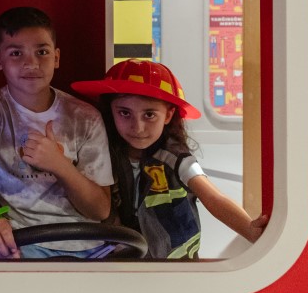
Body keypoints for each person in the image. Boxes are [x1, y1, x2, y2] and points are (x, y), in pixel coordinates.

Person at [0, 6, 113, 259]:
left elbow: (100, 210)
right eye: (16, 53)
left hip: (87, 244)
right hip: (20, 242)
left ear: (56, 57)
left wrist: (59, 165)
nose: (31, 63)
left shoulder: (85, 117)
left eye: (42, 52)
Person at [72, 59, 268, 259]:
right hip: (122, 264)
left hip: (176, 265)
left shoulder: (177, 159)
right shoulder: (100, 154)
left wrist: (249, 230)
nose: (137, 127)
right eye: (124, 113)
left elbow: (213, 198)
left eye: (149, 115)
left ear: (168, 115)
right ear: (110, 111)